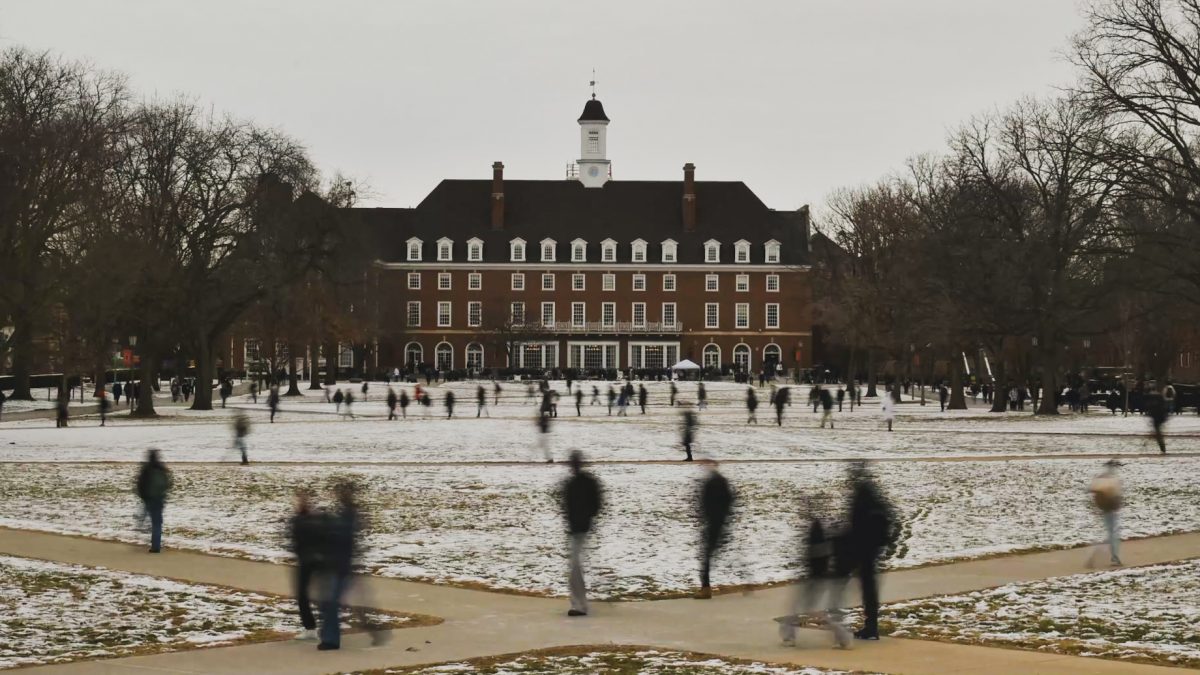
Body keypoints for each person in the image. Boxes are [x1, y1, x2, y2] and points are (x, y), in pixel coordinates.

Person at [780, 510, 852, 648]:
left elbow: (814, 561)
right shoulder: (831, 541)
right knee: (827, 611)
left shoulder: (816, 540)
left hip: (816, 579)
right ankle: (842, 638)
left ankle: (788, 636)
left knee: (799, 608)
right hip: (828, 578)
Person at [846, 461, 896, 640]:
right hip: (870, 547)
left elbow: (858, 524)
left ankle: (871, 626)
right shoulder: (871, 495)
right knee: (868, 587)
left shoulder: (863, 496)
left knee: (867, 587)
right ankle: (871, 625)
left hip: (866, 548)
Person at [561, 450, 602, 616]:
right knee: (574, 567)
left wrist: (587, 517)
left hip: (582, 529)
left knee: (575, 566)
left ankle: (579, 605)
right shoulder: (571, 484)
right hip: (575, 529)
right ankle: (579, 603)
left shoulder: (586, 483)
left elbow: (596, 503)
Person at [695, 460, 734, 599]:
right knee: (713, 555)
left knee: (706, 556)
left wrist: (712, 516)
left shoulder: (714, 482)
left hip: (714, 523)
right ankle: (748, 581)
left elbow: (708, 502)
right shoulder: (718, 481)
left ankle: (705, 589)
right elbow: (730, 500)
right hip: (717, 522)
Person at [288, 489, 322, 641]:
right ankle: (316, 626)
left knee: (303, 595)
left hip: (307, 561)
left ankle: (310, 628)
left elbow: (297, 541)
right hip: (316, 560)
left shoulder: (300, 520)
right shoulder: (316, 519)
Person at [135, 449, 172, 553]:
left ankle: (140, 525)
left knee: (147, 514)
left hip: (148, 498)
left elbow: (140, 484)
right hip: (159, 499)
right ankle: (156, 546)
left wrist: (143, 496)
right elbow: (168, 483)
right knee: (157, 523)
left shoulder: (146, 469)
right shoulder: (161, 468)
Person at [1089, 460, 1123, 567]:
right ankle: (1112, 557)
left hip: (1103, 509)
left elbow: (1091, 490)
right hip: (1111, 510)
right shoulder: (1114, 479)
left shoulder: (1100, 478)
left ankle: (1110, 555)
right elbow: (1117, 495)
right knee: (1112, 535)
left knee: (1111, 534)